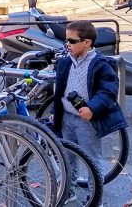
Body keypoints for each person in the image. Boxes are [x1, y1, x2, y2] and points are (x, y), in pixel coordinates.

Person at [53, 20, 128, 185]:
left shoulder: (100, 64)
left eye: (72, 41)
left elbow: (108, 91)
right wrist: (56, 112)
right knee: (66, 155)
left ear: (87, 42)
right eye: (66, 40)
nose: (68, 44)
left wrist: (92, 108)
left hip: (86, 119)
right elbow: (60, 89)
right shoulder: (66, 62)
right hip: (66, 116)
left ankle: (95, 196)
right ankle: (67, 189)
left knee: (91, 158)